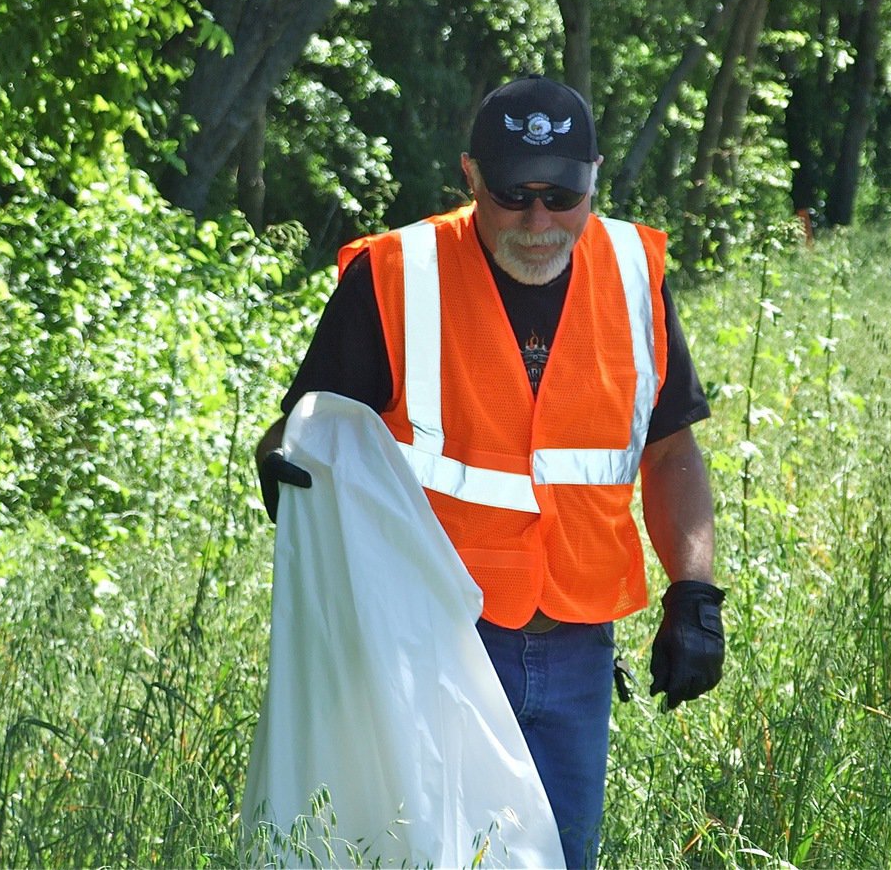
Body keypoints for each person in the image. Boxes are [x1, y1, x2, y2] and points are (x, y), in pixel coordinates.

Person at [255, 74, 725, 869]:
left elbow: (670, 447)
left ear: (594, 177)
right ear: (471, 175)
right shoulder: (399, 274)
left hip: (578, 652)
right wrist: (285, 467)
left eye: (560, 195)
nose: (539, 221)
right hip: (435, 647)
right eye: (513, 195)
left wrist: (694, 590)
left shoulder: (633, 273)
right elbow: (307, 431)